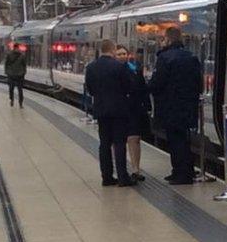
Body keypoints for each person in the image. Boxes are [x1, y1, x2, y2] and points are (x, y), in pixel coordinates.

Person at [149, 27, 202, 185]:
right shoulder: (192, 57)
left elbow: (158, 83)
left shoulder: (165, 58)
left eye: (163, 38)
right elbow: (198, 83)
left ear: (168, 39)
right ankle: (186, 170)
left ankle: (180, 173)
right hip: (188, 106)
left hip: (170, 106)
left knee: (175, 140)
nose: (161, 41)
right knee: (184, 140)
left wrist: (147, 87)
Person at [85, 40, 137, 187]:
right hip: (119, 110)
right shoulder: (119, 67)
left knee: (104, 144)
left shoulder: (91, 68)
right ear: (113, 50)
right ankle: (122, 177)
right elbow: (129, 87)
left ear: (101, 50)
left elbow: (90, 89)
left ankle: (106, 177)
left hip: (101, 110)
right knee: (119, 144)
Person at [117, 45, 150, 181]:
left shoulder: (135, 70)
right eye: (119, 54)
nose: (122, 56)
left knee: (134, 139)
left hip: (134, 110)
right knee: (118, 141)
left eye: (124, 53)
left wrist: (147, 105)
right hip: (118, 110)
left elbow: (143, 88)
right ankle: (121, 169)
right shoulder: (112, 71)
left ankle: (136, 169)